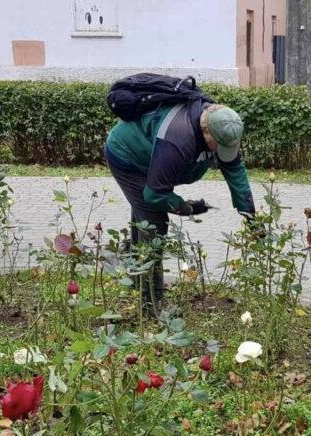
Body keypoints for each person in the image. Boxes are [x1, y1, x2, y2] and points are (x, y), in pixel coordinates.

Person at [105, 100, 256, 314]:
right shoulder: (178, 139)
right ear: (205, 131)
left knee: (145, 217)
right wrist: (185, 207)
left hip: (151, 158)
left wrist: (250, 215)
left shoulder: (222, 126)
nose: (222, 151)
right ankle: (152, 303)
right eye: (219, 145)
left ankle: (136, 276)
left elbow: (234, 169)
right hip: (127, 157)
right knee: (154, 223)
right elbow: (155, 193)